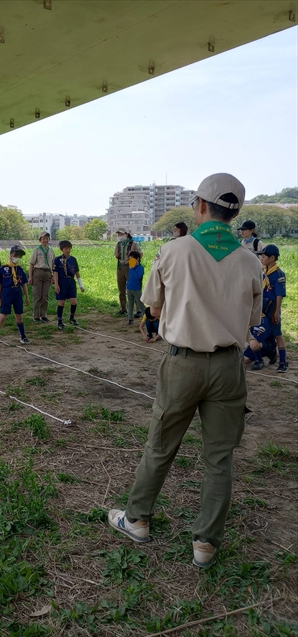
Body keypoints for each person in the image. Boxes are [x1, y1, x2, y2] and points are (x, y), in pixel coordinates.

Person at [107, 173, 263, 569]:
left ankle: (138, 519)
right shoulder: (249, 260)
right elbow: (253, 317)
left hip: (182, 363)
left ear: (200, 206)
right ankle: (205, 544)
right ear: (235, 213)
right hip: (229, 366)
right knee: (219, 458)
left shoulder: (174, 251)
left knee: (160, 446)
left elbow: (153, 308)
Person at [255, 244, 288, 373]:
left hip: (273, 307)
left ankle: (283, 362)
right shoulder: (264, 272)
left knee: (277, 334)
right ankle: (263, 357)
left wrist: (276, 312)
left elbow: (279, 295)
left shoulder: (278, 274)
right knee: (262, 333)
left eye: (264, 256)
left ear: (272, 258)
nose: (261, 259)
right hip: (263, 307)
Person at [0, 246, 30, 347]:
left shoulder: (20, 269)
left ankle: (23, 337)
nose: (17, 257)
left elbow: (24, 284)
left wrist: (27, 297)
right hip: (6, 293)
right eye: (16, 255)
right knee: (2, 316)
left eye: (19, 256)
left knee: (19, 316)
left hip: (17, 292)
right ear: (11, 255)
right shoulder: (3, 268)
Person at [53, 240, 84, 330]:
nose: (68, 250)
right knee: (61, 302)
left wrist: (81, 285)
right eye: (66, 248)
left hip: (71, 282)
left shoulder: (73, 259)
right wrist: (56, 284)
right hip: (62, 281)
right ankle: (59, 321)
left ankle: (72, 317)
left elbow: (77, 272)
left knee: (74, 301)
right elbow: (55, 273)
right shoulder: (57, 260)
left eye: (69, 248)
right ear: (62, 249)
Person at [114, 228, 143, 315]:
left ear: (126, 234)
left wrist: (133, 254)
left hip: (130, 267)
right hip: (120, 267)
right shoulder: (118, 244)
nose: (120, 236)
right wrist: (117, 255)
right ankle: (123, 308)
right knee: (121, 289)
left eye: (121, 234)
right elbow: (115, 254)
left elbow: (141, 254)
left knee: (134, 288)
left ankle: (139, 310)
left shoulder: (133, 244)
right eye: (119, 234)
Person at [29, 231, 55, 323]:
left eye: (47, 238)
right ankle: (36, 316)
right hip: (38, 273)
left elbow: (53, 265)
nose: (45, 240)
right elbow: (31, 264)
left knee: (45, 296)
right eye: (43, 238)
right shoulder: (37, 250)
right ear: (40, 240)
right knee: (37, 296)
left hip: (48, 273)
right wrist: (30, 276)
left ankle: (43, 315)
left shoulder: (51, 251)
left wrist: (53, 276)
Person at [126, 251, 146, 325]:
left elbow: (137, 277)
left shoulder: (140, 268)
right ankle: (130, 318)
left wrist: (132, 269)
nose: (131, 261)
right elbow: (130, 277)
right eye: (130, 259)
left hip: (137, 289)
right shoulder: (130, 267)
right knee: (130, 304)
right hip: (129, 288)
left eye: (132, 259)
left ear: (137, 259)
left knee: (140, 304)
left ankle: (146, 317)